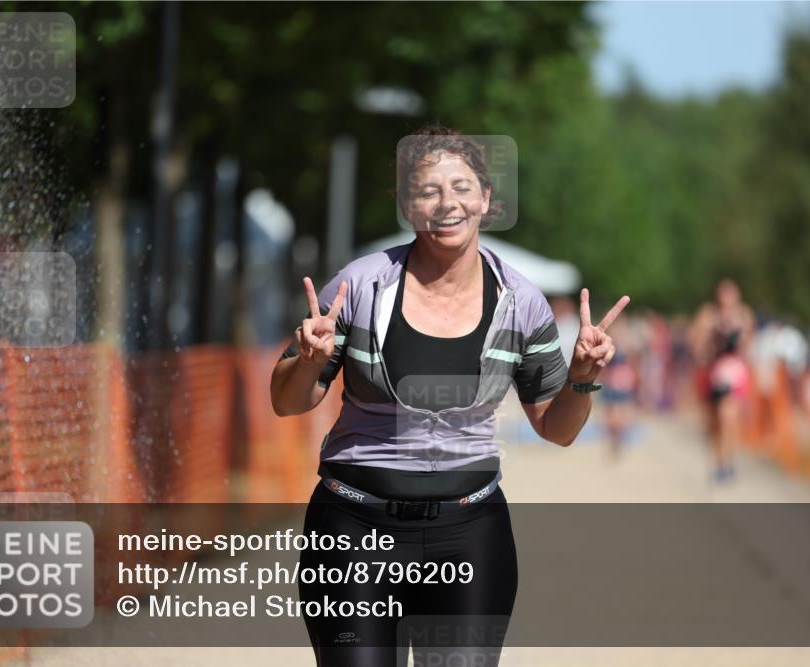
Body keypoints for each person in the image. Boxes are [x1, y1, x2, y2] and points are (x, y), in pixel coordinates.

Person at [269, 126, 629, 667]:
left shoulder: (520, 303)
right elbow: (286, 400)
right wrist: (311, 361)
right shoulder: (360, 287)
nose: (446, 203)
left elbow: (557, 429)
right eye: (428, 190)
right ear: (408, 205)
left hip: (469, 535)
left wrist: (580, 376)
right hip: (353, 530)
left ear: (486, 198)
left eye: (462, 187)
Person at [689, 279, 755, 483]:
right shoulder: (708, 314)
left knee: (729, 416)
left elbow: (748, 344)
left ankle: (729, 461)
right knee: (714, 422)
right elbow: (695, 342)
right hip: (713, 372)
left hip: (734, 372)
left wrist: (737, 331)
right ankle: (719, 462)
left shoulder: (744, 315)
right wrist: (708, 339)